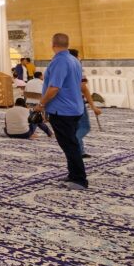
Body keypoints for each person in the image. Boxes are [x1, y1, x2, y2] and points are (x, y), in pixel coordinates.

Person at [36, 33, 89, 190]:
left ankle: (80, 179)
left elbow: (54, 88)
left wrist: (41, 104)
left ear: (53, 44)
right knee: (69, 143)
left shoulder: (59, 61)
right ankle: (73, 174)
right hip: (75, 107)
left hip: (62, 110)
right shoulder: (74, 60)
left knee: (69, 145)